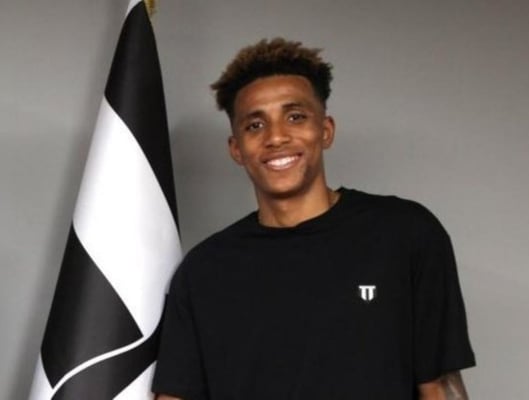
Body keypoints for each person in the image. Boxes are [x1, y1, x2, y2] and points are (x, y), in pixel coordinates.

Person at [152, 38, 475, 400]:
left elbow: (439, 386)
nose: (276, 137)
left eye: (295, 117)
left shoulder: (405, 235)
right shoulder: (203, 272)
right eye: (255, 125)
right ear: (236, 149)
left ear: (325, 130)